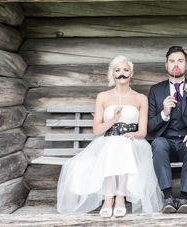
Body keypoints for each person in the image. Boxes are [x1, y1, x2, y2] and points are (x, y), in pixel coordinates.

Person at [57, 55, 163, 217]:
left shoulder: (141, 98)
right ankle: (109, 199)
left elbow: (143, 132)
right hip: (107, 141)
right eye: (117, 70)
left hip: (132, 143)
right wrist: (113, 119)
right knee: (115, 145)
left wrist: (131, 135)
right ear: (112, 74)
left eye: (125, 70)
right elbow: (97, 130)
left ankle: (119, 198)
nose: (122, 73)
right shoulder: (103, 97)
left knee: (121, 144)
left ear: (131, 73)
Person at [148, 46, 187, 214]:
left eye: (180, 61)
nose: (176, 64)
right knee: (158, 144)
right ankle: (168, 198)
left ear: (186, 65)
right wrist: (164, 113)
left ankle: (183, 199)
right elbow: (149, 126)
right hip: (165, 142)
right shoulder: (156, 90)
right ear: (166, 65)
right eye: (172, 61)